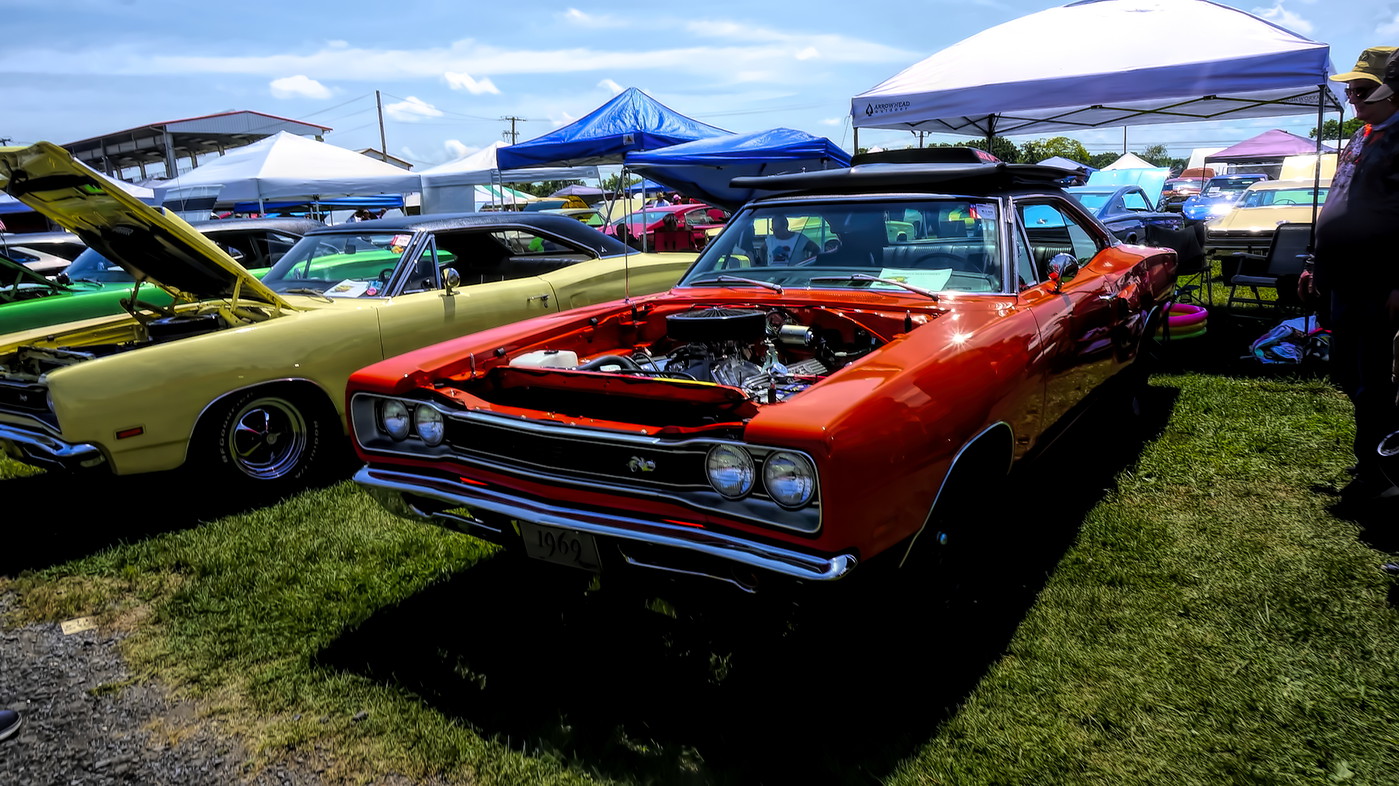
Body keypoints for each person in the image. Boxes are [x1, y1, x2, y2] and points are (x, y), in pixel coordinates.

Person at [1308, 46, 1399, 509]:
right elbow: (1337, 199)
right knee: (1346, 370)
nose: (1353, 99)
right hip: (1341, 276)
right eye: (1349, 91)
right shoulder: (1362, 134)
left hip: (1376, 282)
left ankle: (1380, 471)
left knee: (1372, 379)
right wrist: (1314, 262)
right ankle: (1373, 454)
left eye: (1362, 89)